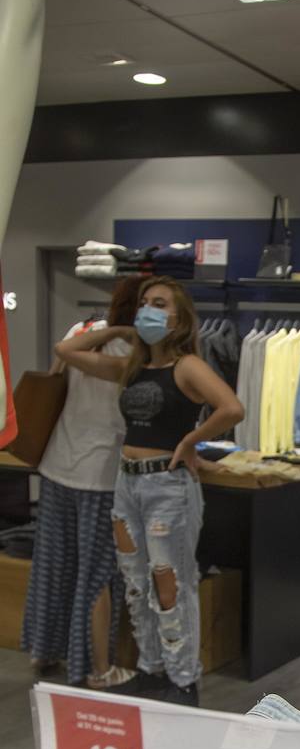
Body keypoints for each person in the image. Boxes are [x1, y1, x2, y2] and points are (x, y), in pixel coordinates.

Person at [54, 276, 244, 706]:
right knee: (135, 583)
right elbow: (67, 352)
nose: (149, 311)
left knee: (170, 584)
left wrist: (190, 441)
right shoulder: (133, 366)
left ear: (179, 317)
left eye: (159, 304)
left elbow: (232, 407)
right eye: (144, 303)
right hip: (127, 484)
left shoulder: (187, 366)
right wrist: (121, 331)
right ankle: (151, 668)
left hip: (167, 486)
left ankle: (182, 679)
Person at [22, 275, 144, 689]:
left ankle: (44, 651)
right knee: (97, 576)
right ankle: (97, 668)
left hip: (58, 464)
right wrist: (122, 333)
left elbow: (57, 368)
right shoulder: (135, 355)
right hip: (101, 475)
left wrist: (106, 329)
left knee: (54, 566)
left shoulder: (81, 333)